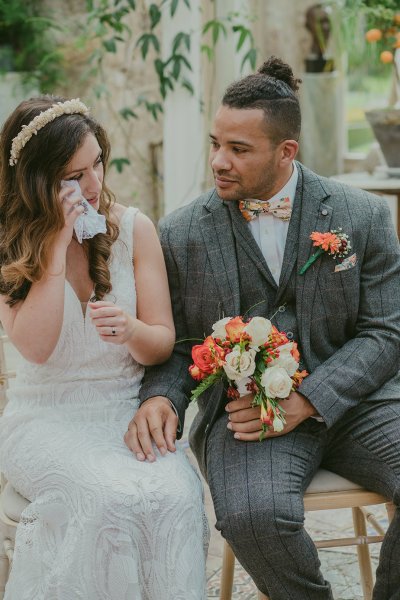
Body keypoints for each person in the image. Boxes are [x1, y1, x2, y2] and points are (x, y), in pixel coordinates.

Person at [125, 56, 400, 599]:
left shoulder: (362, 216)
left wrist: (310, 399)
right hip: (245, 413)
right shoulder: (180, 234)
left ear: (286, 152)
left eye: (239, 149)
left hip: (361, 404)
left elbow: (387, 332)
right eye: (215, 143)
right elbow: (179, 345)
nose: (218, 161)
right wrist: (163, 398)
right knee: (253, 516)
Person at [0, 95, 209, 600]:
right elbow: (36, 349)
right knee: (105, 496)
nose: (93, 185)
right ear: (38, 182)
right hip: (43, 418)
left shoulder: (134, 228)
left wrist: (132, 331)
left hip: (122, 411)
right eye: (74, 175)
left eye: (97, 162)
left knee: (175, 494)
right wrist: (55, 243)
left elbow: (162, 345)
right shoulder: (10, 241)